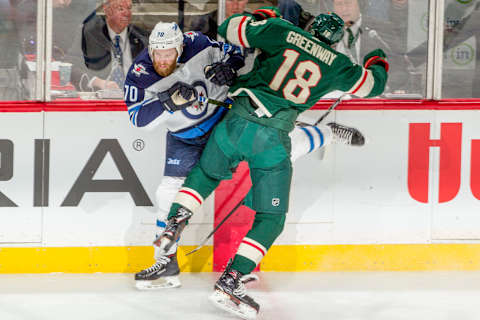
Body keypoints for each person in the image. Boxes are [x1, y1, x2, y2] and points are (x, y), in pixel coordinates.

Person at [155, 9, 388, 319]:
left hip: (235, 120)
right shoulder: (338, 64)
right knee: (271, 217)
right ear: (334, 42)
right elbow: (373, 86)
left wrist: (262, 17)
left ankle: (175, 222)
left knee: (205, 174)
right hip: (272, 139)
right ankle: (232, 280)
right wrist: (378, 60)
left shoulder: (280, 30)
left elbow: (229, 27)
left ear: (309, 26)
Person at [331, 0, 408, 93]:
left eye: (348, 3)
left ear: (360, 4)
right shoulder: (324, 32)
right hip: (334, 97)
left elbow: (399, 69)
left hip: (370, 97)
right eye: (339, 4)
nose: (343, 9)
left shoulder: (382, 29)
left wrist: (382, 86)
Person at [76, 0, 148, 91]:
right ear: (107, 10)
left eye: (129, 8)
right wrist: (97, 82)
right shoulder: (89, 33)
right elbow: (72, 64)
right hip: (100, 100)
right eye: (120, 8)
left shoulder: (142, 37)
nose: (127, 13)